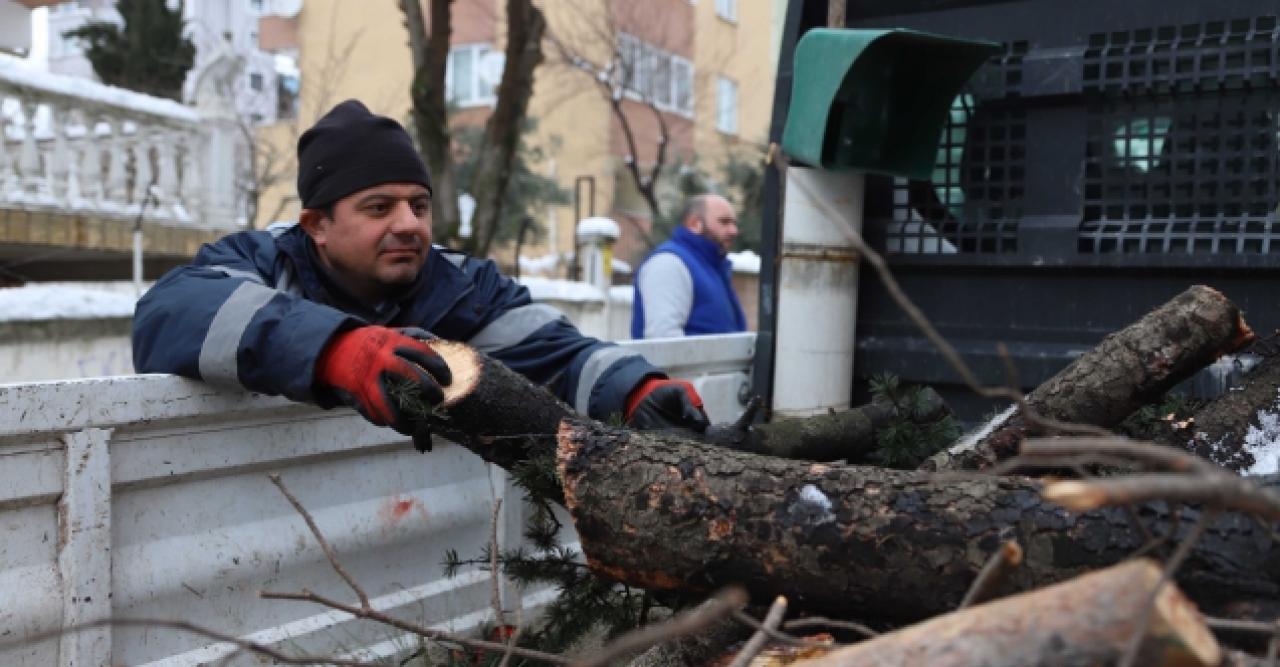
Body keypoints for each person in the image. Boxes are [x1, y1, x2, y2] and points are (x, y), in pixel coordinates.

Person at [132, 99, 709, 443]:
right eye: (379, 207)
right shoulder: (258, 264)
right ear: (317, 224)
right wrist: (339, 352)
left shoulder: (460, 288)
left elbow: (559, 356)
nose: (410, 224)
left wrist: (638, 389)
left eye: (419, 204)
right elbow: (166, 314)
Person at [631, 194, 747, 339]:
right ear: (694, 224)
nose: (733, 230)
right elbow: (663, 340)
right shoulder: (669, 263)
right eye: (724, 222)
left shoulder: (711, 267)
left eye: (734, 223)